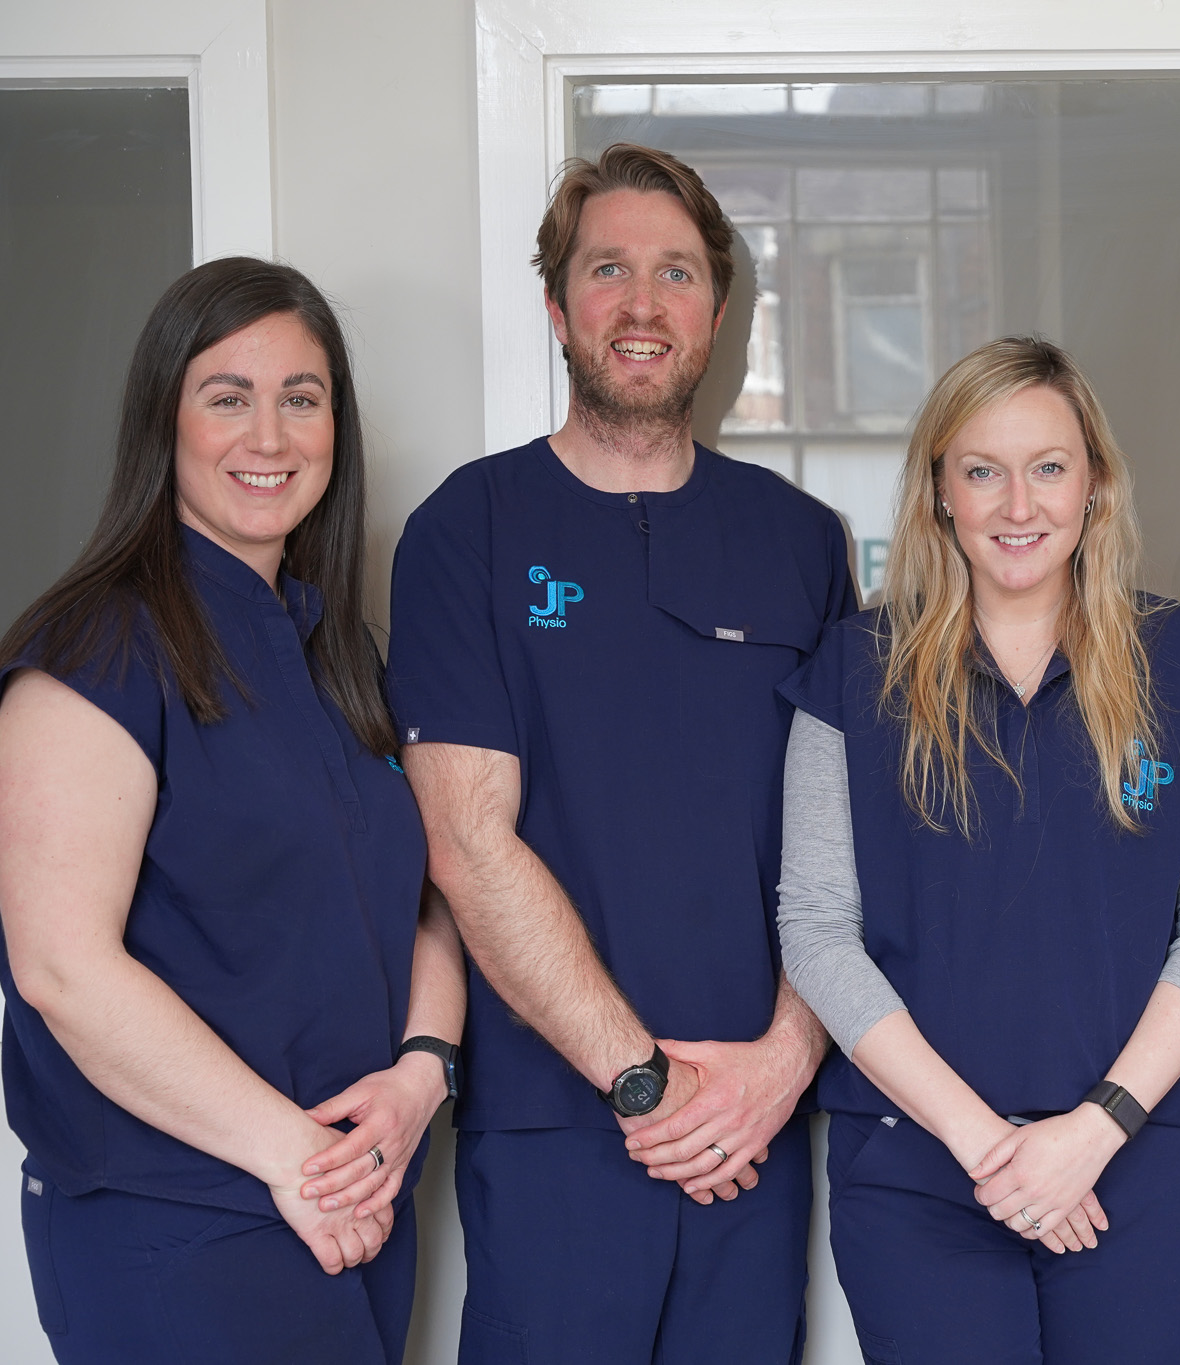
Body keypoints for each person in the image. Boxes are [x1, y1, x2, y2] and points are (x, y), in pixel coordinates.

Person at [385, 142, 854, 1363]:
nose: (642, 304)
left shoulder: (802, 543)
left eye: (676, 274)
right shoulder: (465, 533)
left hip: (759, 1121)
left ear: (713, 312)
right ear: (556, 306)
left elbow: (843, 845)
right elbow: (465, 841)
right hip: (555, 1129)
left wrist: (782, 1061)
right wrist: (643, 1085)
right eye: (607, 271)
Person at [0, 257, 466, 1364]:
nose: (271, 436)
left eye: (302, 398)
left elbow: (423, 897)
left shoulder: (338, 655)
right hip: (182, 1223)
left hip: (358, 1207)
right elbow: (63, 969)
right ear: (166, 419)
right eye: (227, 396)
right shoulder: (94, 652)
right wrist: (299, 1160)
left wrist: (418, 1075)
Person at [776, 336, 1180, 1364]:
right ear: (938, 493)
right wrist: (987, 1147)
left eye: (1047, 467)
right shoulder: (850, 669)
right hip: (919, 1172)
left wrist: (1092, 1133)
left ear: (1094, 487)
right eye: (981, 471)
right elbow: (816, 931)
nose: (1017, 505)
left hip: (1141, 1167)